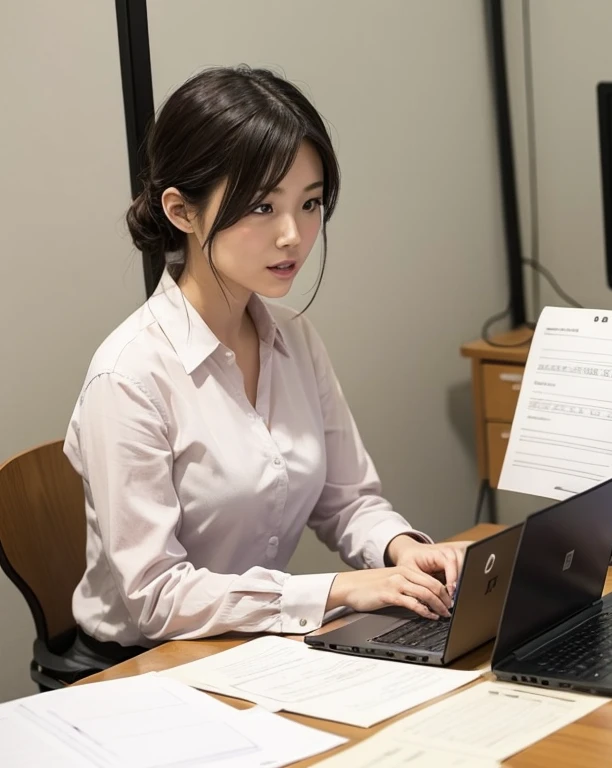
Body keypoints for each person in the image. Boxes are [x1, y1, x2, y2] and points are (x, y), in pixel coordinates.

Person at [63, 66, 466, 668]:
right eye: (261, 206)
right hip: (137, 670)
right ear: (181, 211)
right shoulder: (128, 377)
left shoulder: (294, 339)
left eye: (309, 204)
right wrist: (334, 589)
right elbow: (155, 596)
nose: (293, 236)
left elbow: (346, 499)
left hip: (255, 652)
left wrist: (400, 548)